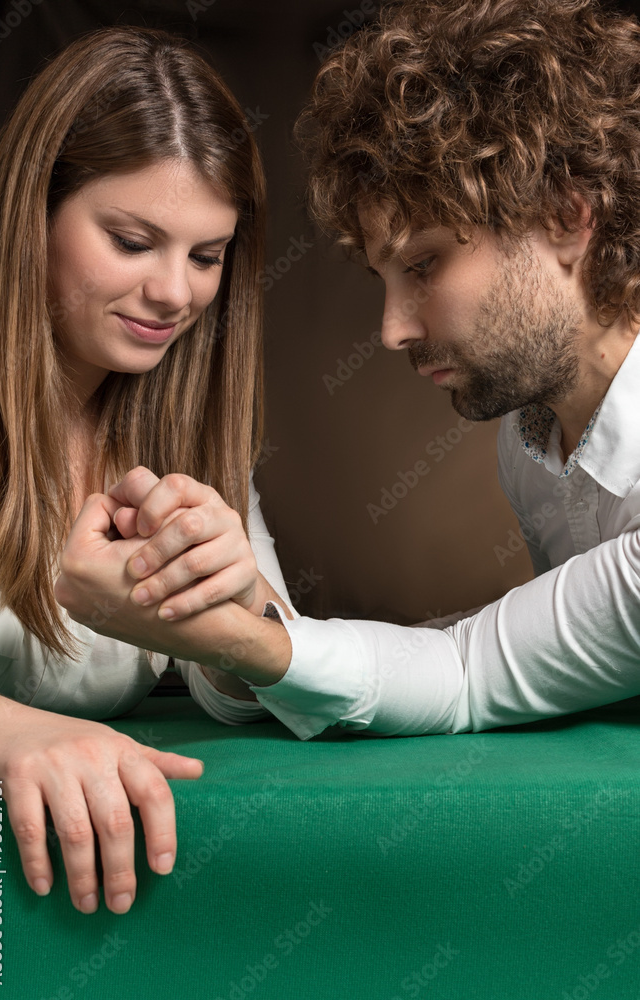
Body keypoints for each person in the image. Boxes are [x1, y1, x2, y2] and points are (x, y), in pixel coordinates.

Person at [57, 0, 640, 744]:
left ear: (565, 214)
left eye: (424, 264)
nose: (392, 330)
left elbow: (468, 670)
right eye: (382, 278)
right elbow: (531, 641)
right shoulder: (532, 440)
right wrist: (248, 616)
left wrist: (232, 637)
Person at [0, 25, 297, 915]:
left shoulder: (184, 426)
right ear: (31, 210)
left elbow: (245, 698)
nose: (174, 294)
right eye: (130, 240)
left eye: (205, 256)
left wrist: (235, 612)